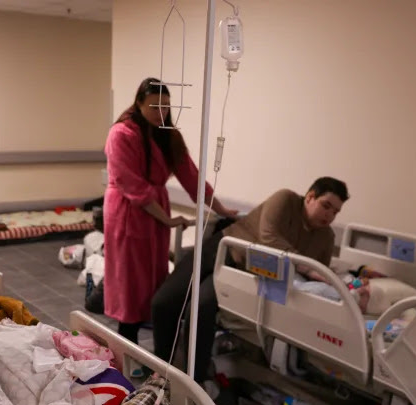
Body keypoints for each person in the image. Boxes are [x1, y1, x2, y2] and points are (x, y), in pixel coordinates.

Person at [151, 177, 349, 383]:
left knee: (200, 309)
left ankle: (194, 382)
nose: (330, 215)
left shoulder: (326, 237)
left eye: (336, 212)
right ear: (310, 197)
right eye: (326, 206)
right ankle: (158, 368)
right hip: (223, 248)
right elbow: (269, 238)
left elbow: (318, 274)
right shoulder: (286, 200)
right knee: (163, 302)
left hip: (243, 272)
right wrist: (306, 267)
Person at [103, 78, 236, 345]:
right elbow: (131, 185)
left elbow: (193, 179)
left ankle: (150, 340)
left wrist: (222, 210)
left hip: (154, 212)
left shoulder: (169, 136)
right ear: (139, 103)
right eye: (154, 106)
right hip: (128, 210)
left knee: (154, 276)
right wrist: (168, 218)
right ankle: (126, 345)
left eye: (165, 106)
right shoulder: (121, 135)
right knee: (130, 281)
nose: (161, 112)